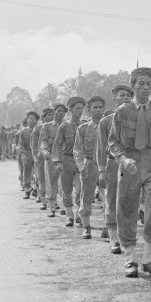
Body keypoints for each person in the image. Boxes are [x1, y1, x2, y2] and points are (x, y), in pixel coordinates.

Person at [109, 67, 151, 278]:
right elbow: (113, 143)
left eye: (148, 84)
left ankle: (150, 258)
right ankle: (130, 258)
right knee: (126, 210)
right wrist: (123, 160)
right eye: (140, 83)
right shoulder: (122, 111)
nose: (145, 87)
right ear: (133, 86)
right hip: (130, 163)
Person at [97, 84, 134, 254]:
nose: (125, 98)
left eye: (128, 95)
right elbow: (101, 148)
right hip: (112, 164)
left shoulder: (136, 118)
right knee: (111, 201)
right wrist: (101, 170)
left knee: (128, 201)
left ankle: (126, 236)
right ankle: (113, 238)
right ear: (114, 98)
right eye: (122, 95)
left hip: (131, 164)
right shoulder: (106, 122)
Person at [73, 96, 105, 239]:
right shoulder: (83, 129)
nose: (98, 110)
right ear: (89, 109)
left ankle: (107, 227)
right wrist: (82, 166)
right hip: (90, 165)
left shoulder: (109, 126)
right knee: (86, 196)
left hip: (106, 165)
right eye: (95, 107)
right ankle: (86, 226)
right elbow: (77, 150)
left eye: (100, 107)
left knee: (108, 197)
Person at [53, 97, 86, 227]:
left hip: (81, 160)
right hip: (67, 159)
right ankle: (69, 215)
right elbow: (57, 145)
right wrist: (57, 161)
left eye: (81, 108)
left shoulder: (85, 125)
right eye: (77, 108)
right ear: (71, 110)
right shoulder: (64, 126)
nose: (80, 111)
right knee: (66, 189)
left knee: (80, 188)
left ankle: (78, 214)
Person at [39, 103, 67, 217]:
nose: (60, 113)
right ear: (54, 111)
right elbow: (43, 141)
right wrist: (45, 151)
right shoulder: (47, 126)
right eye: (58, 110)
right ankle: (51, 207)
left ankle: (64, 206)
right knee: (50, 183)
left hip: (64, 157)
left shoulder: (67, 126)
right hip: (50, 157)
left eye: (63, 111)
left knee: (64, 183)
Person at [32, 108, 53, 210]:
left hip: (53, 156)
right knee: (41, 178)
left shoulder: (56, 126)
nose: (51, 117)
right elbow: (34, 145)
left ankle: (53, 201)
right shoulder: (37, 129)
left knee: (52, 180)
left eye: (52, 114)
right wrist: (35, 156)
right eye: (48, 115)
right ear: (43, 117)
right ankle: (43, 200)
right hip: (41, 157)